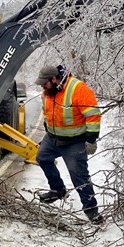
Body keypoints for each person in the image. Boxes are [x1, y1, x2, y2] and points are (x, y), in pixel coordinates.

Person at [34, 65, 104, 225]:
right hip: (52, 138)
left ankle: (92, 211)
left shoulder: (78, 89)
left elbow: (93, 114)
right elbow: (47, 113)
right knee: (42, 158)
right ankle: (57, 190)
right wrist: (48, 132)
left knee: (79, 176)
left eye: (44, 83)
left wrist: (91, 139)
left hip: (74, 141)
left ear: (54, 79)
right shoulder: (47, 92)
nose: (42, 87)